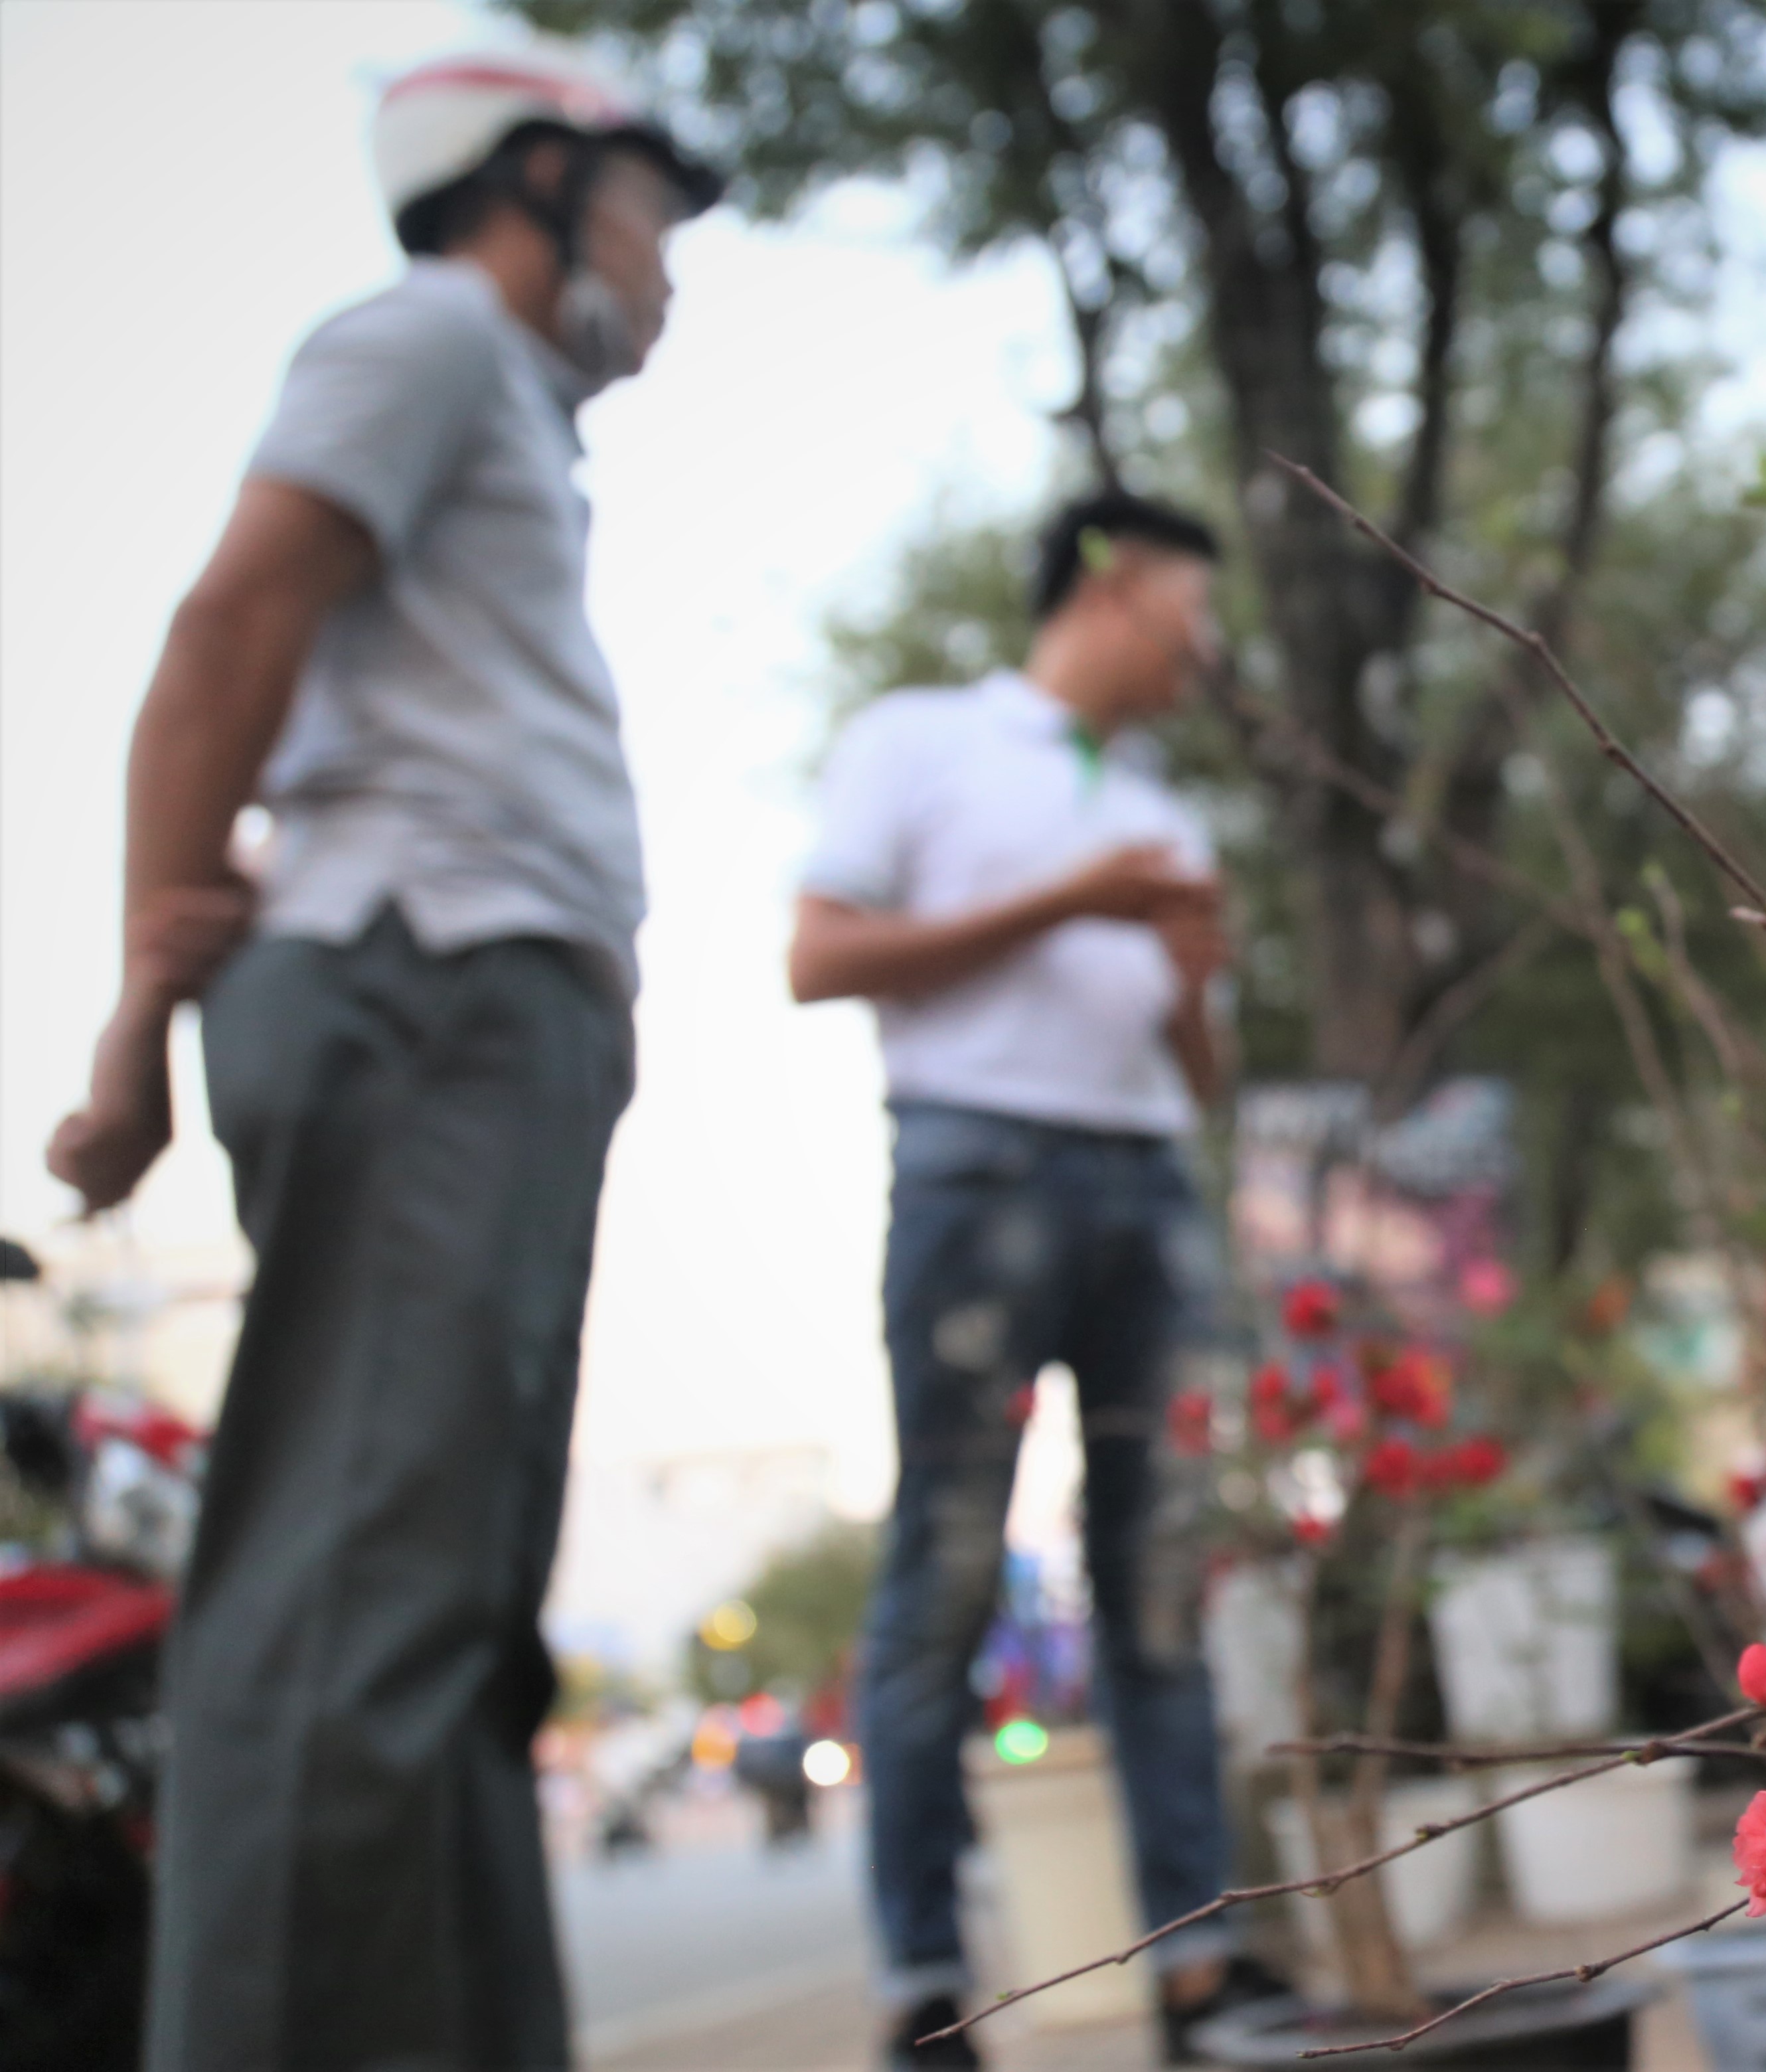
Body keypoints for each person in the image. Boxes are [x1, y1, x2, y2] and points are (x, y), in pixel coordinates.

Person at [44, 44, 719, 2069]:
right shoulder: (422, 343)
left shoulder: (496, 399)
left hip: (482, 1014)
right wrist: (136, 1026)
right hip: (421, 994)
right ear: (532, 177)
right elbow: (227, 636)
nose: (666, 272)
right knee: (348, 1611)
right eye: (644, 215)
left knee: (444, 1637)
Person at [791, 491, 1283, 2065]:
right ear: (1113, 585)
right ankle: (925, 1983)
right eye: (1190, 614)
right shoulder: (922, 741)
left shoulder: (1162, 811)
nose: (1204, 652)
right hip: (975, 1165)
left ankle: (1198, 1967)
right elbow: (818, 957)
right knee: (943, 1570)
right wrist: (1070, 903)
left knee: (1158, 1592)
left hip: (1145, 1183)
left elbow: (1194, 1073)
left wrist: (1195, 989)